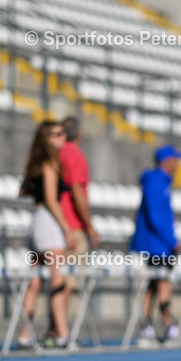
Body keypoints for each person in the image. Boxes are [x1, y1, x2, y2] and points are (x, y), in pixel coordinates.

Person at [18, 121, 76, 349]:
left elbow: (23, 190)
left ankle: (25, 335)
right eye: (57, 134)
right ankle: (62, 334)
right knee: (57, 279)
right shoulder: (50, 163)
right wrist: (66, 228)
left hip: (37, 221)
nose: (63, 137)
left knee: (34, 282)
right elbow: (52, 199)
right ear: (47, 139)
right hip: (49, 223)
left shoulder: (36, 163)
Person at [131, 144, 181, 344]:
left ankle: (150, 325)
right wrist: (173, 241)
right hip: (156, 244)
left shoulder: (161, 182)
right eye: (175, 159)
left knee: (155, 284)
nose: (178, 163)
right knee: (161, 283)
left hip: (158, 243)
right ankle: (165, 323)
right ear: (167, 161)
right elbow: (155, 217)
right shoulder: (156, 182)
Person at [59, 116, 98, 293]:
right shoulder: (75, 155)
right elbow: (77, 192)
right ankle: (60, 322)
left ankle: (55, 321)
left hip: (56, 222)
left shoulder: (56, 153)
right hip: (72, 225)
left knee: (56, 277)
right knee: (69, 280)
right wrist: (89, 226)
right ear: (79, 135)